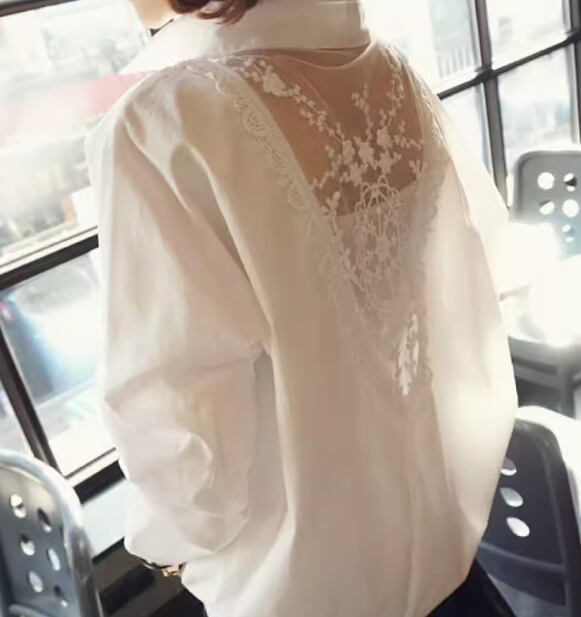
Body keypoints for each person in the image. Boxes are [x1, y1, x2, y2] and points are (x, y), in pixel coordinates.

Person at [86, 1, 518, 616]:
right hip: (448, 566)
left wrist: (173, 548)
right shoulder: (392, 73)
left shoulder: (164, 124)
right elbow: (479, 265)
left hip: (308, 588)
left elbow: (178, 430)